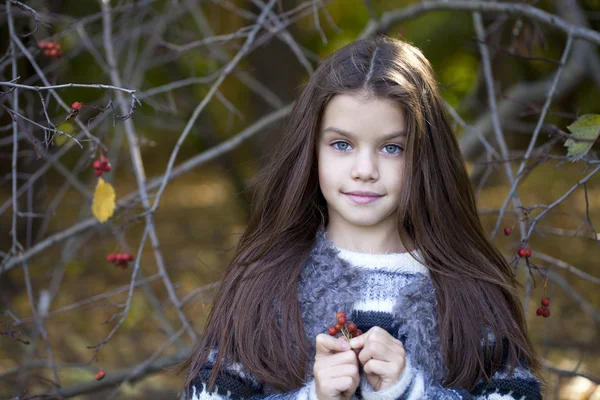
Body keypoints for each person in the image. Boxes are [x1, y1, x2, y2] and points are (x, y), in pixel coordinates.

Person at [174, 35, 543, 400]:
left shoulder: (470, 289)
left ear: (425, 157)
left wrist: (412, 391)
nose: (365, 169)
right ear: (311, 150)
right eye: (342, 144)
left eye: (392, 148)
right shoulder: (265, 282)